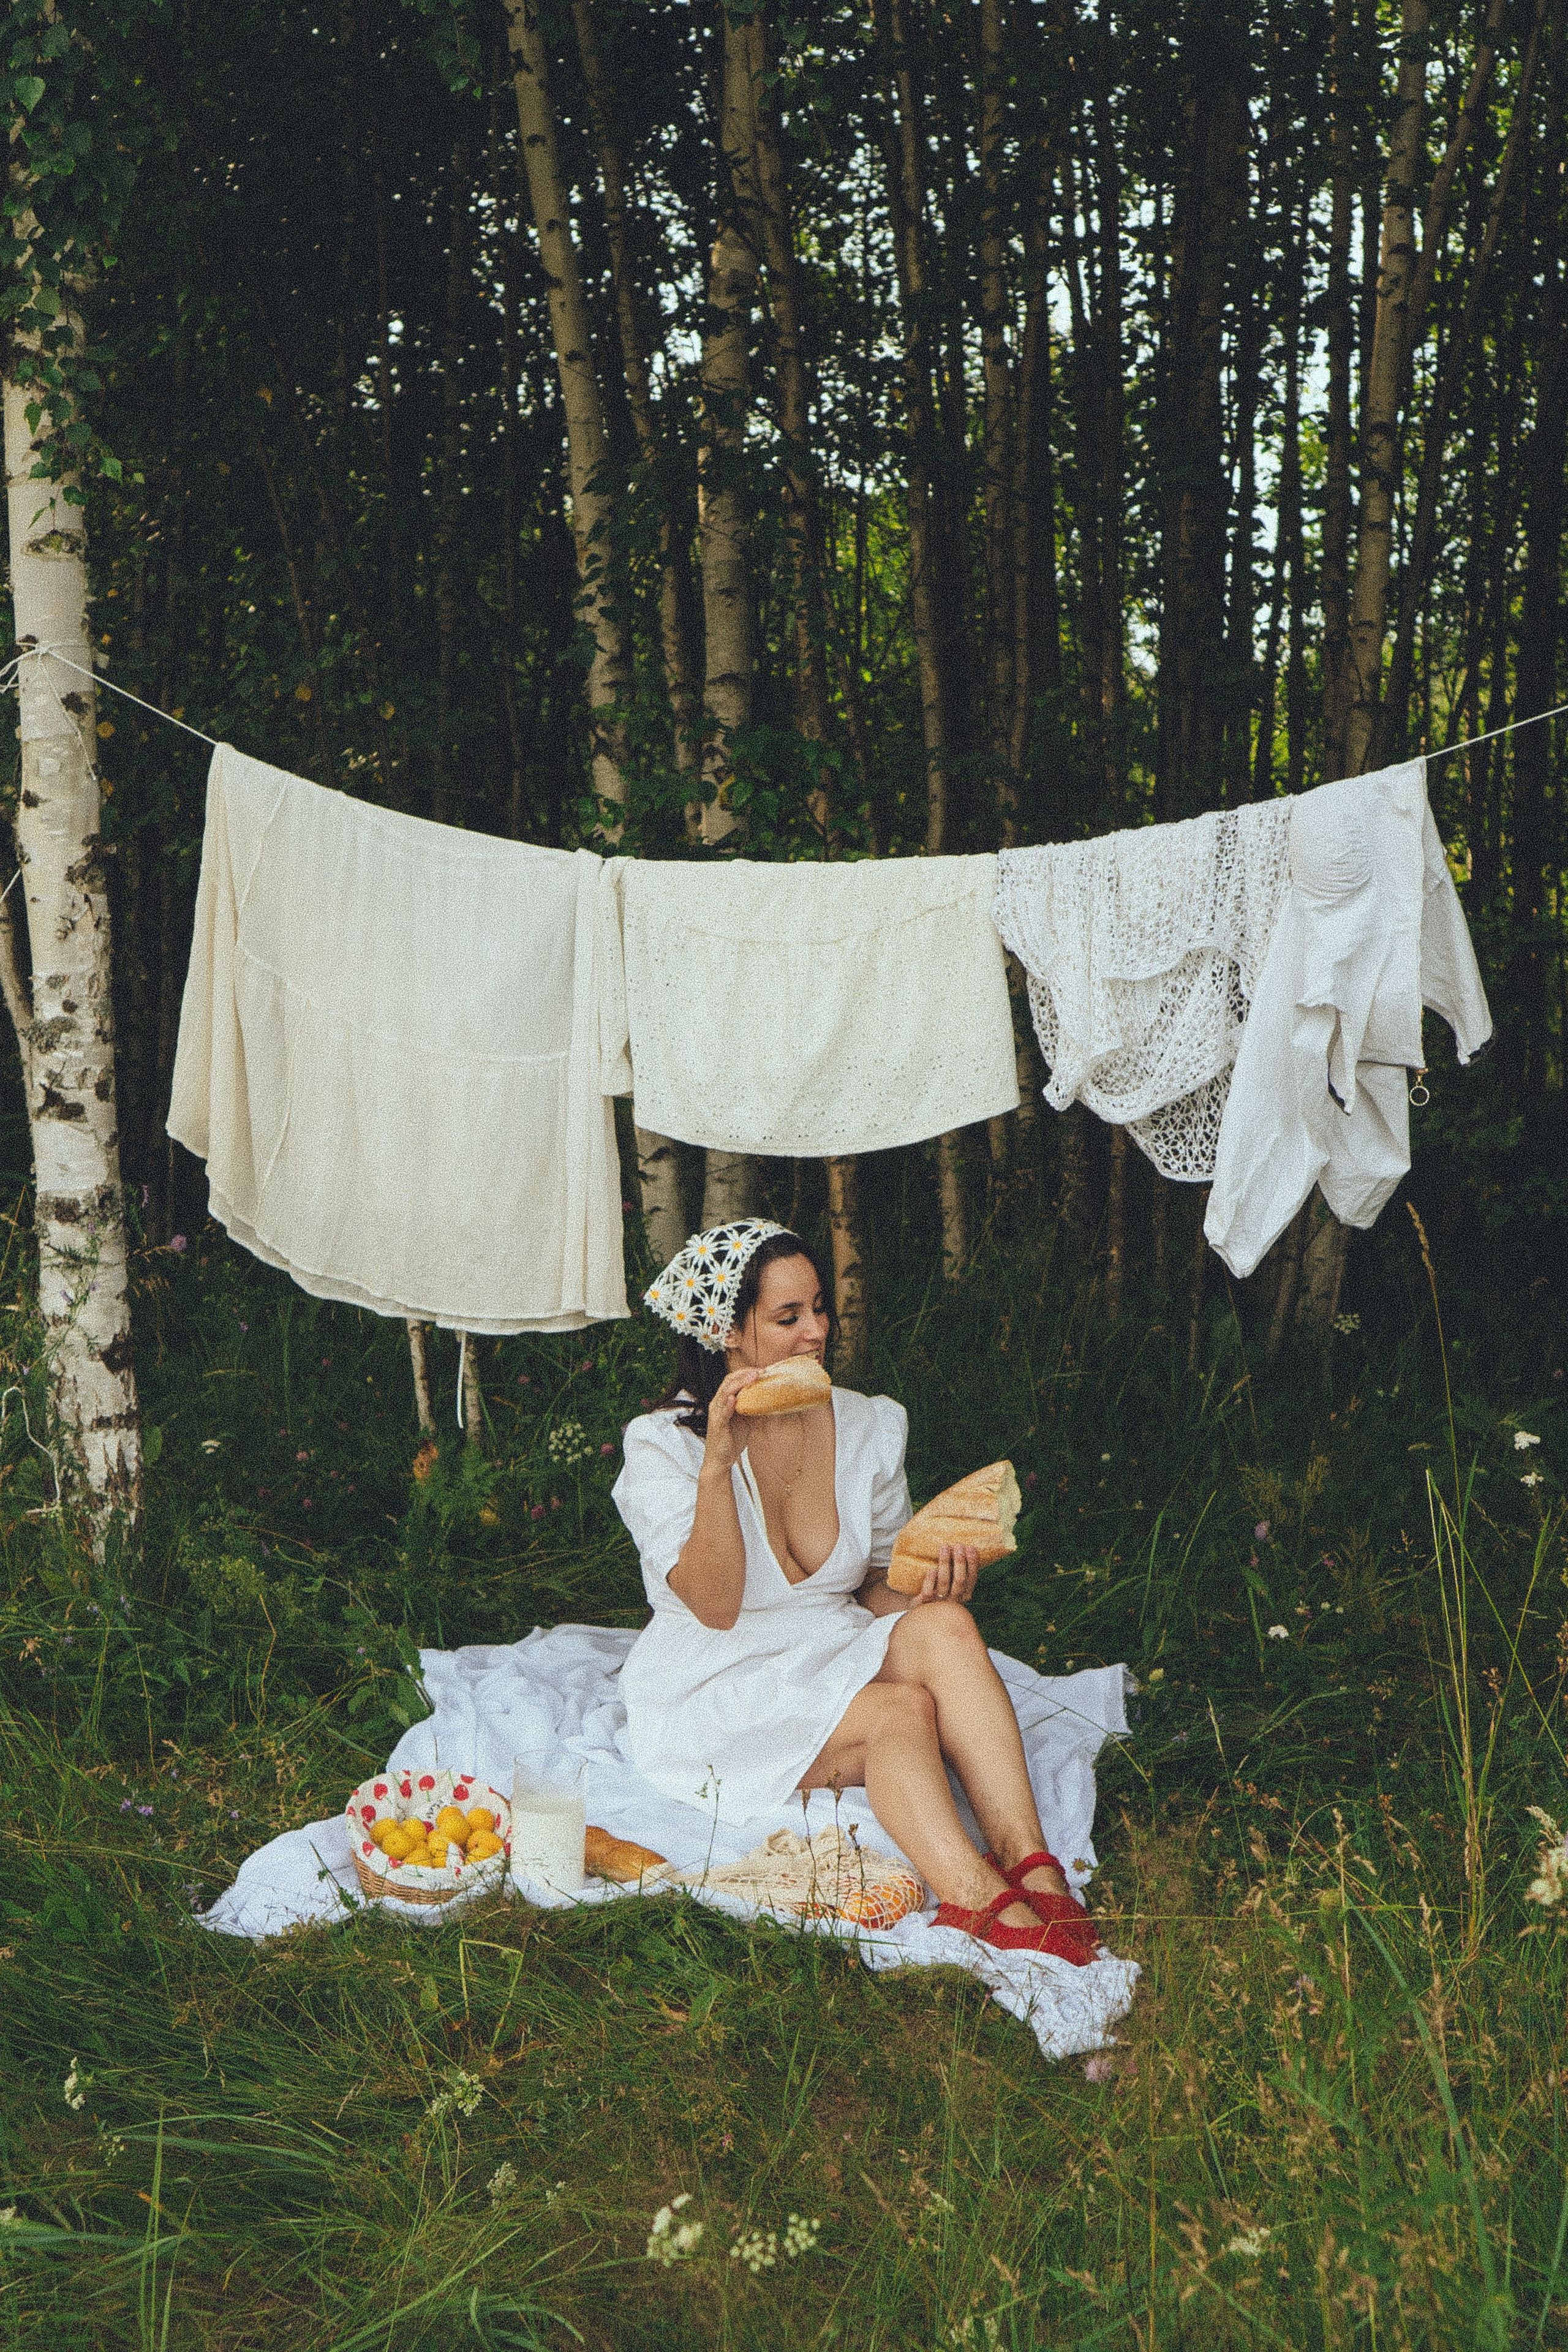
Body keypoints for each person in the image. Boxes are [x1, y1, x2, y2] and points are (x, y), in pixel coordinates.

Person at [611, 1218, 1098, 1961]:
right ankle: (977, 1900)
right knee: (899, 1712)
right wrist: (717, 1466)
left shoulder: (867, 1424)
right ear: (726, 1332)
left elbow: (870, 1589)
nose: (816, 1333)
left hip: (827, 1645)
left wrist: (925, 1588)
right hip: (718, 1680)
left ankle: (1030, 1861)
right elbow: (713, 1605)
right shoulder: (662, 1446)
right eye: (788, 1318)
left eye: (819, 1308)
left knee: (946, 1626)